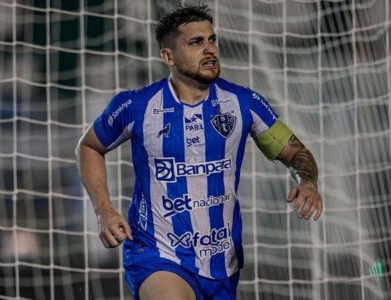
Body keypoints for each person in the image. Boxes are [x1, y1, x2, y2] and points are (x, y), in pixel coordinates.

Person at [76, 4, 323, 300]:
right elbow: (89, 146)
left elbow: (296, 153)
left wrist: (307, 180)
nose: (209, 49)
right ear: (168, 56)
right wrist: (103, 209)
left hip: (222, 262)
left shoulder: (245, 103)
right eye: (195, 42)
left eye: (212, 39)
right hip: (157, 254)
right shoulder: (137, 106)